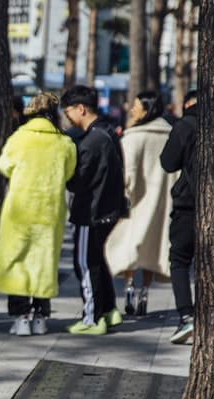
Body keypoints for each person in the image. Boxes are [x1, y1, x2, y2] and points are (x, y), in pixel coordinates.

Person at [0, 92, 77, 336]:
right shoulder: (64, 143)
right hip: (50, 211)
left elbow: (4, 165)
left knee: (17, 260)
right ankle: (40, 316)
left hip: (19, 209)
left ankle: (21, 317)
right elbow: (69, 173)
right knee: (44, 262)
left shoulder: (19, 138)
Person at [105, 91, 178, 317]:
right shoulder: (169, 134)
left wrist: (122, 195)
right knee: (151, 247)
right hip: (161, 201)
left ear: (147, 109)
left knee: (128, 245)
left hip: (134, 202)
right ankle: (144, 291)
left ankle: (128, 288)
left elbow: (129, 173)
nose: (132, 109)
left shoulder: (133, 137)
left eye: (136, 106)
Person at [60, 85, 125, 336]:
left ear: (81, 109)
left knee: (85, 264)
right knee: (97, 261)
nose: (67, 117)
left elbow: (78, 180)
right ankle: (109, 310)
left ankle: (92, 318)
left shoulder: (91, 141)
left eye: (68, 111)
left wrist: (67, 174)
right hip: (107, 208)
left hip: (92, 211)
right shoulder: (107, 132)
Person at [160, 90, 198, 344]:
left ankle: (187, 316)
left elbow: (168, 162)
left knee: (180, 260)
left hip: (189, 202)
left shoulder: (186, 125)